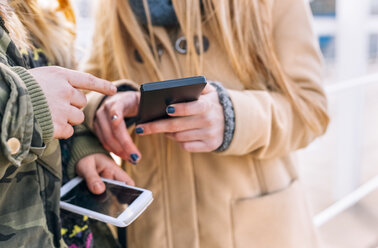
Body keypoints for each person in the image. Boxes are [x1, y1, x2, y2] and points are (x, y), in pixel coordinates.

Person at [84, 0, 329, 247]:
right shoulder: (114, 6)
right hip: (152, 228)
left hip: (254, 230)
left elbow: (310, 107)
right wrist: (107, 106)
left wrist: (233, 116)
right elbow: (88, 88)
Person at [0, 1, 132, 247]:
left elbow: (58, 103)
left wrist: (80, 148)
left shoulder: (43, 19)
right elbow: (37, 101)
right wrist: (28, 102)